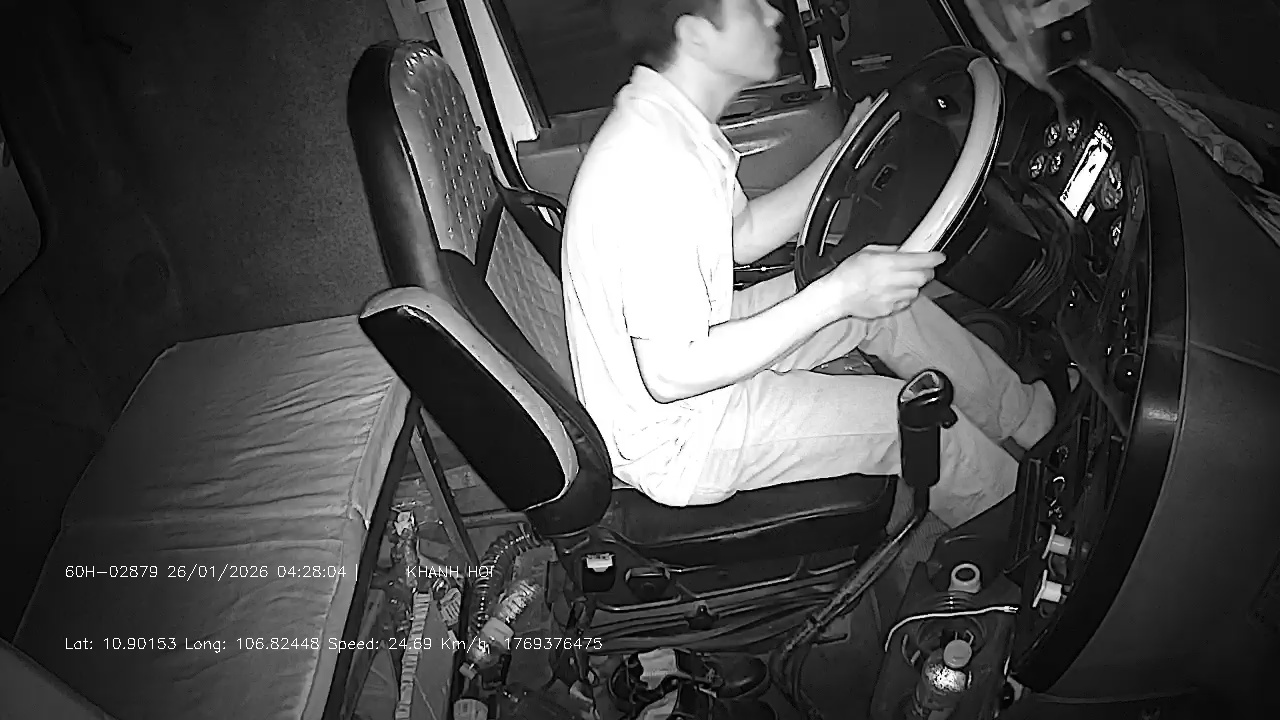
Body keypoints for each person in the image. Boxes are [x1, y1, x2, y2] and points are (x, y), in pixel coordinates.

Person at [560, 0, 1056, 527]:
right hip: (679, 433)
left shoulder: (671, 121)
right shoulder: (655, 165)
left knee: (886, 307)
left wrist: (844, 150)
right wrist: (838, 292)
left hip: (699, 345)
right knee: (913, 421)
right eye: (750, 7)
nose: (773, 15)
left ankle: (1028, 421)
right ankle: (1028, 526)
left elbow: (741, 236)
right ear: (698, 36)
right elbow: (670, 373)